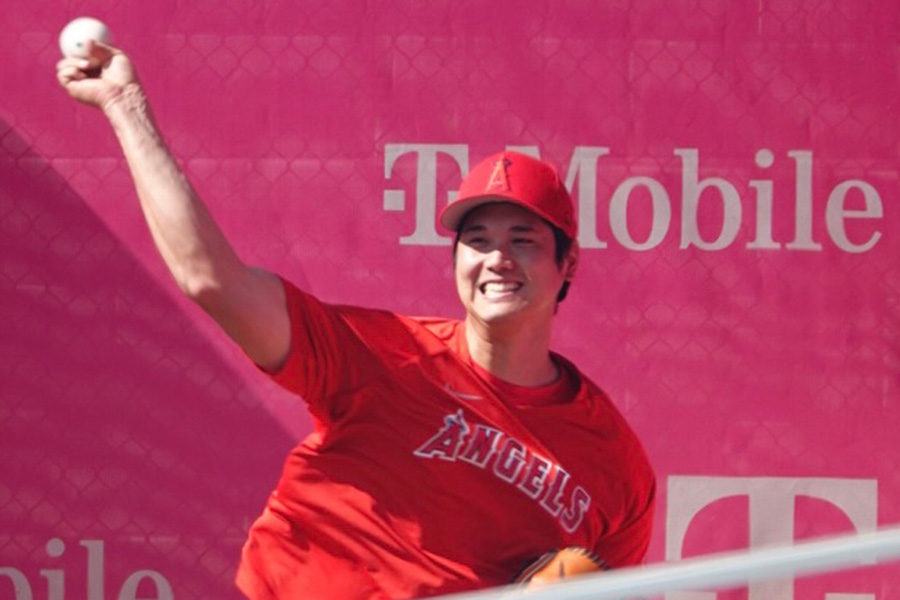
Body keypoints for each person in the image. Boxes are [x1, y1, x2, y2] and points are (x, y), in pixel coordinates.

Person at [57, 40, 656, 600]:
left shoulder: (617, 468)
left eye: (522, 239)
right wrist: (125, 105)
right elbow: (211, 279)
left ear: (567, 262)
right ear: (455, 262)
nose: (496, 259)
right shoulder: (381, 354)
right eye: (477, 240)